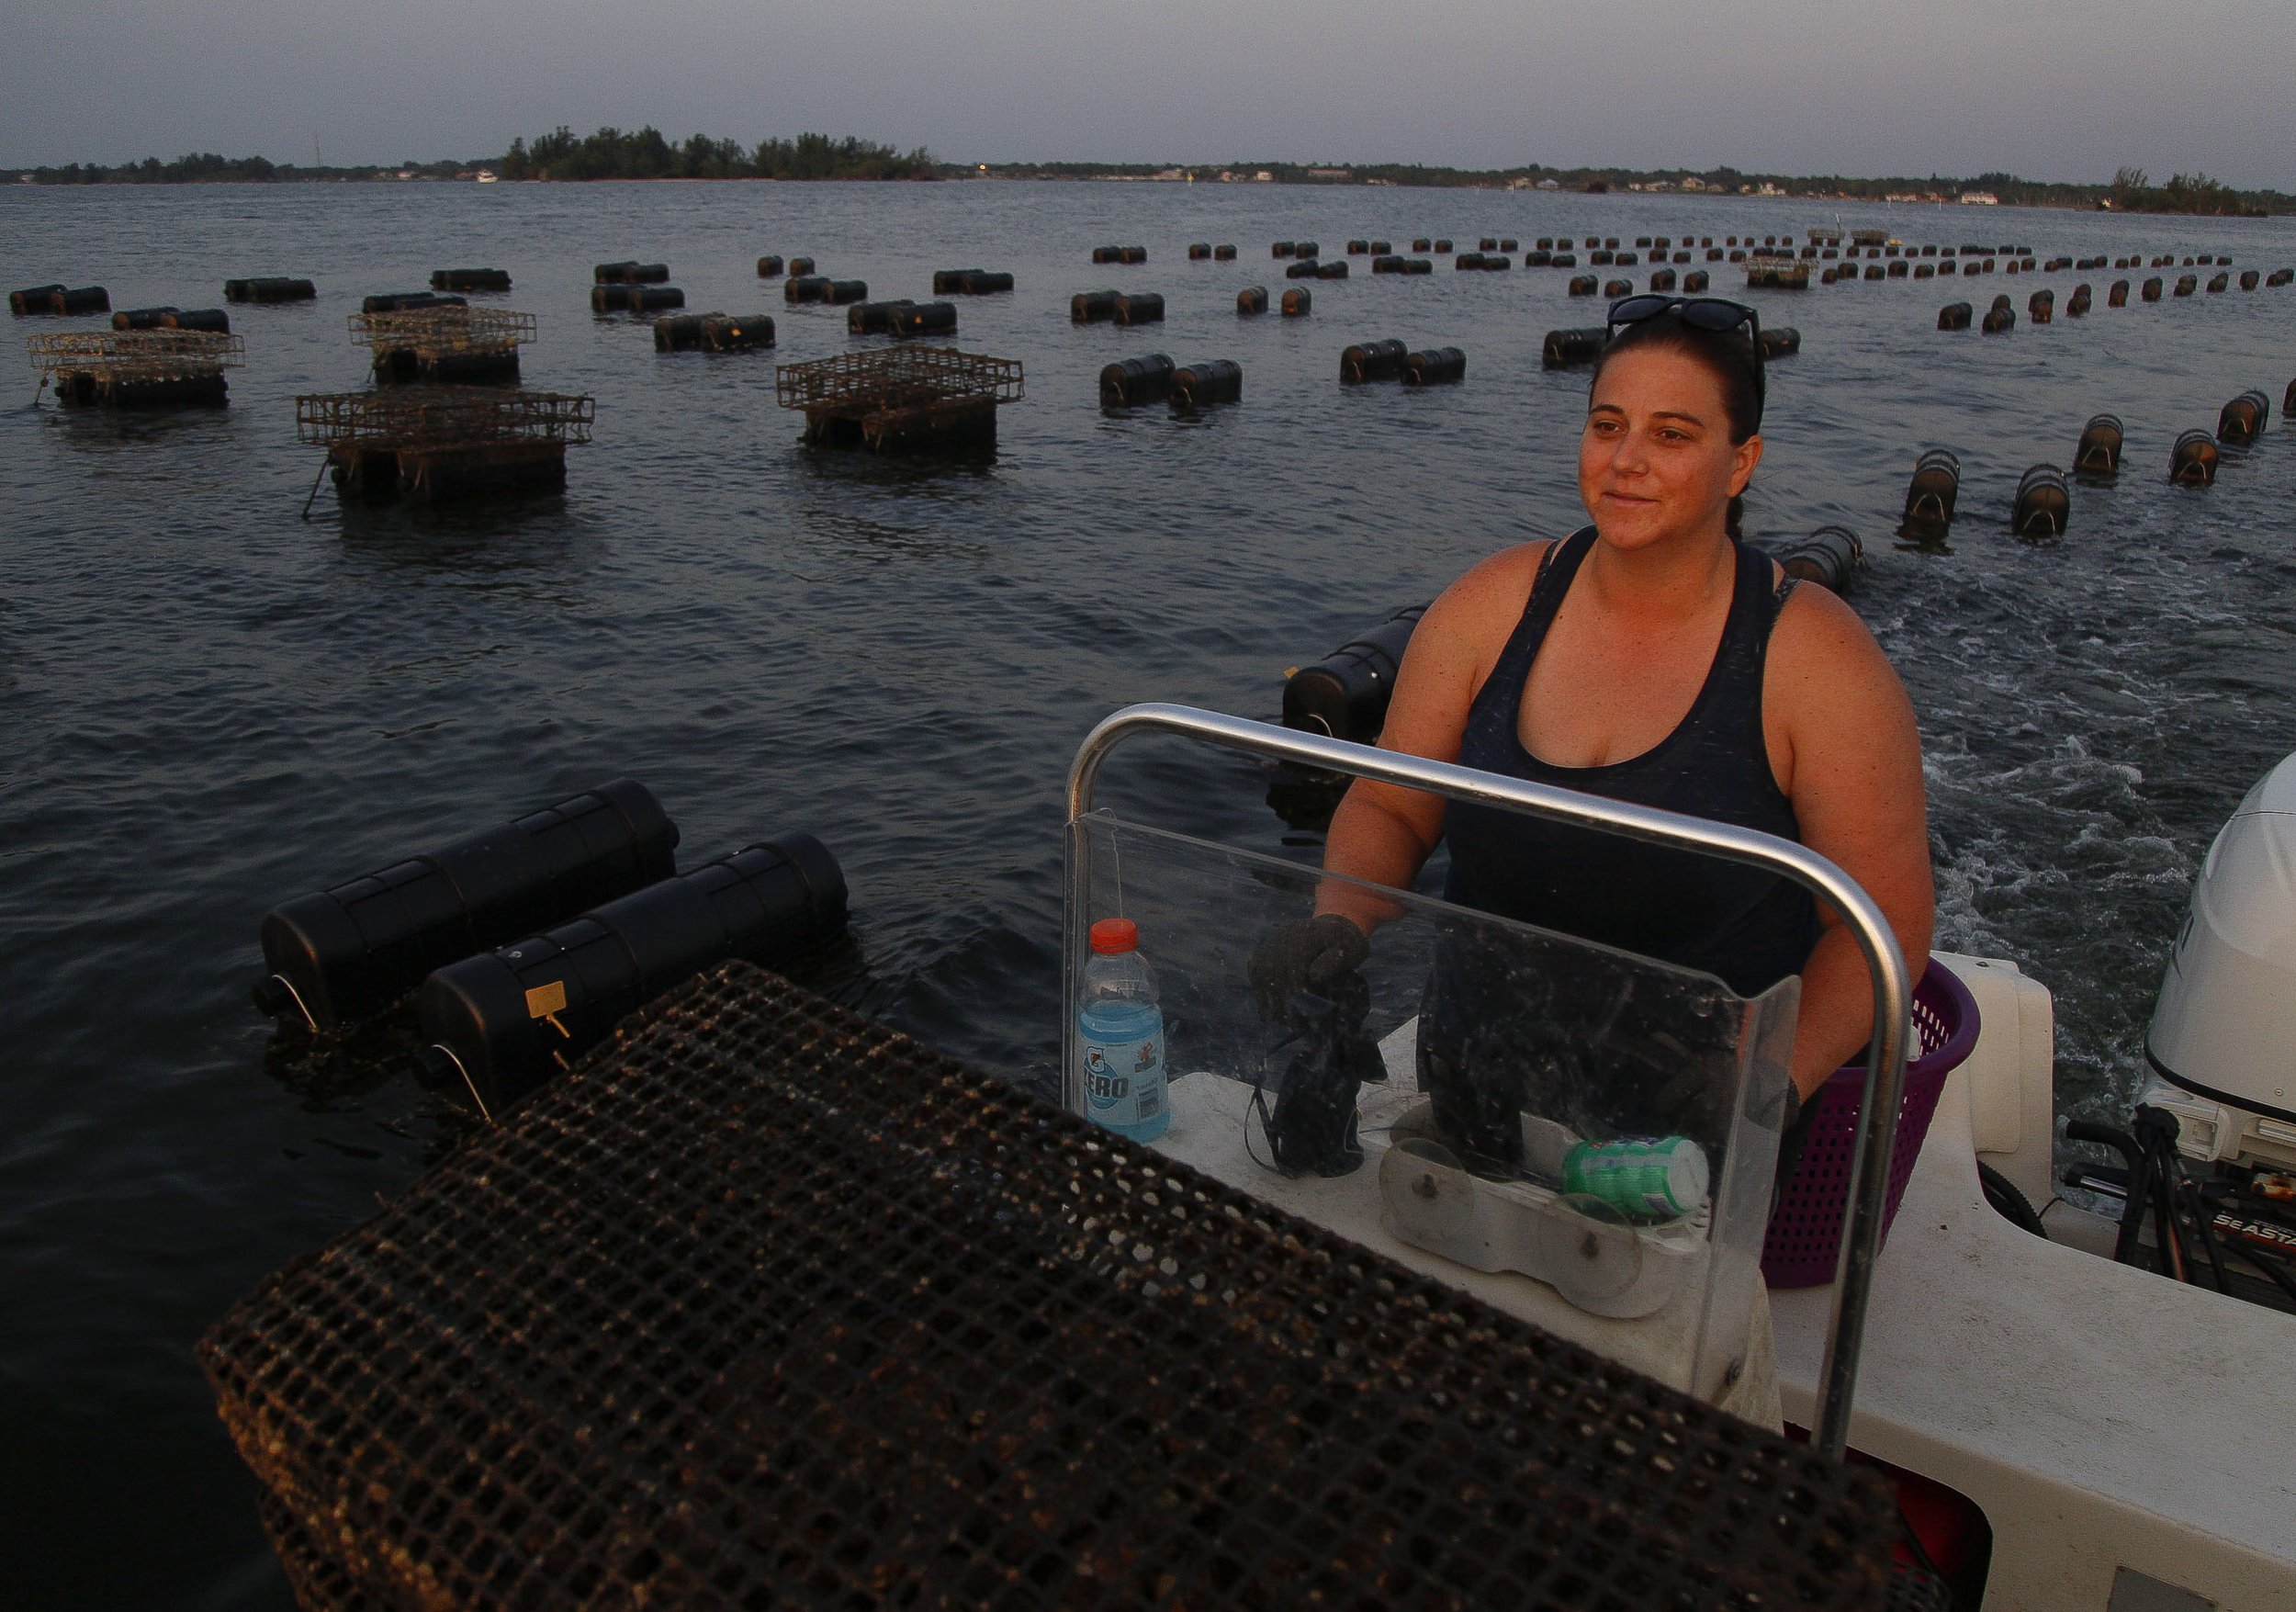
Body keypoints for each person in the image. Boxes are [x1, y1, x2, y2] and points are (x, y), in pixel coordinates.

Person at [1252, 296, 1934, 1168]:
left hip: (1691, 1148)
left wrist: (1766, 1077)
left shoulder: (1817, 661)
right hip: (1479, 1100)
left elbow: (1884, 924)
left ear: (1741, 462)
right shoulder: (1490, 607)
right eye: (1608, 424)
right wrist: (1341, 919)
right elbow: (1392, 806)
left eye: (1672, 434)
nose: (1626, 460)